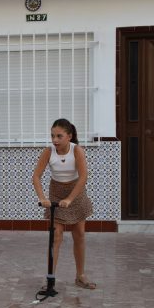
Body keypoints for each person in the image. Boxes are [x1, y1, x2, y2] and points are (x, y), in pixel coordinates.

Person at [32, 118, 96, 289]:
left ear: (69, 136)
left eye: (59, 136)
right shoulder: (48, 151)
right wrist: (42, 198)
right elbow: (36, 176)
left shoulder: (77, 151)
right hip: (56, 192)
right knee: (56, 236)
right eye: (52, 136)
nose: (55, 140)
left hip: (76, 192)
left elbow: (83, 177)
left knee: (79, 234)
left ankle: (80, 276)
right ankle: (50, 279)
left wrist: (69, 199)